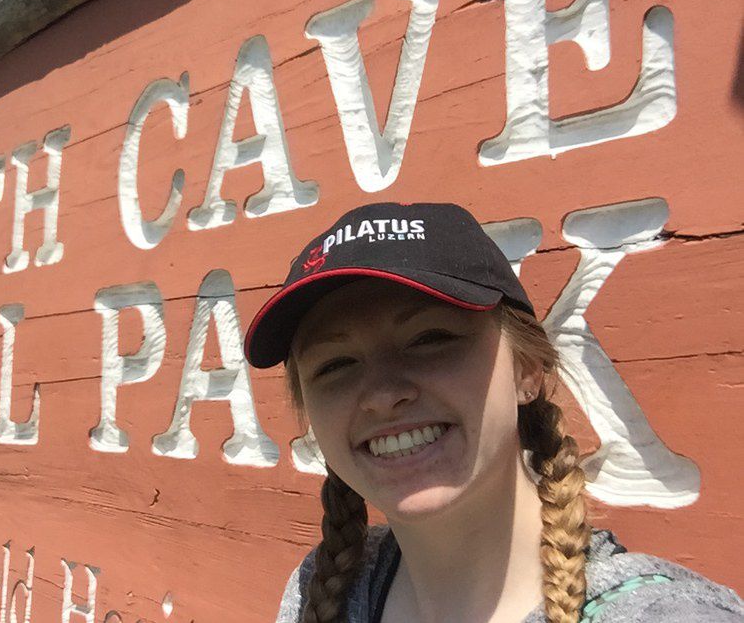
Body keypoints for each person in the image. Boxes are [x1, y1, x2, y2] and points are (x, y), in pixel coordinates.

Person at [243, 202, 743, 623]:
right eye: (335, 365)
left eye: (430, 338)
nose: (382, 394)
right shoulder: (319, 591)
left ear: (526, 370)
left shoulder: (666, 613)